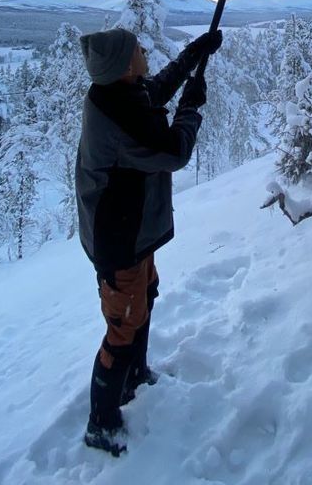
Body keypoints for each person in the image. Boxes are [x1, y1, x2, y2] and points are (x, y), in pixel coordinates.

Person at [75, 25, 222, 456]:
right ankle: (101, 423)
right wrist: (191, 108)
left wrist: (195, 53)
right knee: (122, 324)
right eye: (137, 49)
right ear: (124, 66)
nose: (144, 51)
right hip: (118, 239)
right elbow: (173, 151)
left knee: (144, 299)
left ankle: (134, 376)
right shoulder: (121, 118)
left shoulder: (118, 93)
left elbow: (155, 90)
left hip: (131, 228)